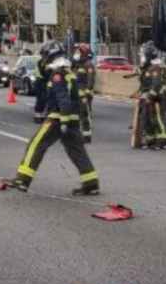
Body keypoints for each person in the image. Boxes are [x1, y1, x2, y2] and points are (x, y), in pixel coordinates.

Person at [9, 56, 100, 195]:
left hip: (56, 119)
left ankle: (23, 179)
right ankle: (91, 183)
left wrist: (63, 121)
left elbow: (63, 99)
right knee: (77, 151)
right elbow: (78, 101)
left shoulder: (58, 76)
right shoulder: (71, 75)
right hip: (73, 120)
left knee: (35, 145)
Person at [130, 53, 166, 150]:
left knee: (158, 118)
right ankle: (150, 140)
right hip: (149, 97)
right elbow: (144, 85)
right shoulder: (146, 68)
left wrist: (150, 96)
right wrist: (138, 93)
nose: (142, 59)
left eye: (143, 56)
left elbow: (156, 84)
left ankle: (162, 141)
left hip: (158, 98)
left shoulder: (156, 68)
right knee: (146, 118)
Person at [70, 42, 95, 142]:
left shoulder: (88, 65)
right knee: (74, 115)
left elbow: (90, 80)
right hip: (75, 94)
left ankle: (86, 135)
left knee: (84, 115)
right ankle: (75, 134)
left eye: (78, 51)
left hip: (84, 95)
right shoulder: (76, 65)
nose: (76, 53)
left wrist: (87, 94)